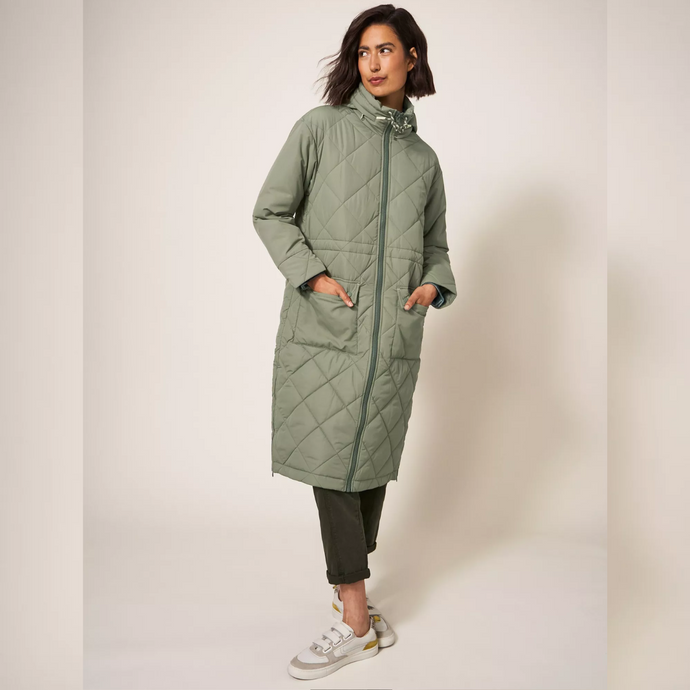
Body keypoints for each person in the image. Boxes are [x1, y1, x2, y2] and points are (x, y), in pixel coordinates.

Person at [252, 4, 457, 680]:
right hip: (327, 328)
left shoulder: (424, 160)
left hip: (391, 337)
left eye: (386, 49)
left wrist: (430, 287)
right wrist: (313, 276)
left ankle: (351, 594)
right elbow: (270, 211)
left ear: (412, 58)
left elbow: (436, 247)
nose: (373, 63)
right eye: (363, 51)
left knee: (368, 464)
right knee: (334, 466)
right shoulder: (320, 129)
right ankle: (358, 619)